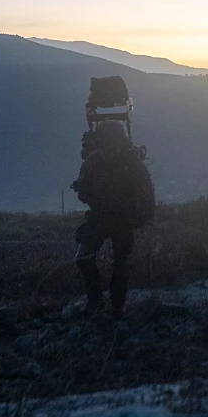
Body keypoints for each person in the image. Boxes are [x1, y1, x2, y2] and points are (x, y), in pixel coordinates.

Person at [72, 120, 151, 319]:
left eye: (113, 146)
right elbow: (83, 190)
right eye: (105, 147)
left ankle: (117, 306)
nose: (109, 152)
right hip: (100, 217)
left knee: (122, 263)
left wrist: (139, 217)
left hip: (125, 219)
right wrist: (86, 193)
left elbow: (148, 196)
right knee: (83, 258)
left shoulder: (132, 163)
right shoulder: (92, 162)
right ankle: (96, 301)